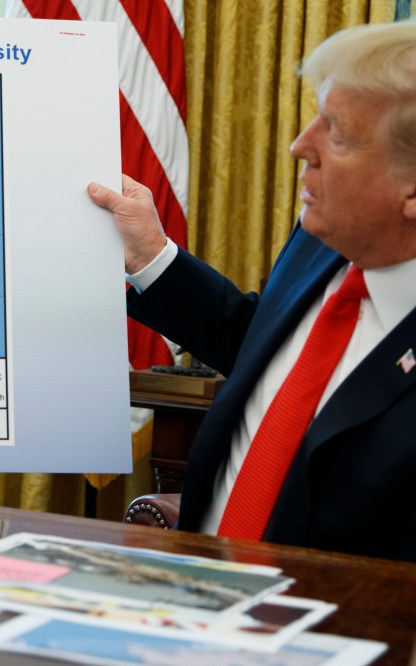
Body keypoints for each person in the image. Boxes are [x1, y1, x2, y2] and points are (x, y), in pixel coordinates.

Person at [88, 20, 416, 562]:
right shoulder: (322, 238)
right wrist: (151, 256)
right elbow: (262, 347)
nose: (299, 146)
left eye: (336, 132)